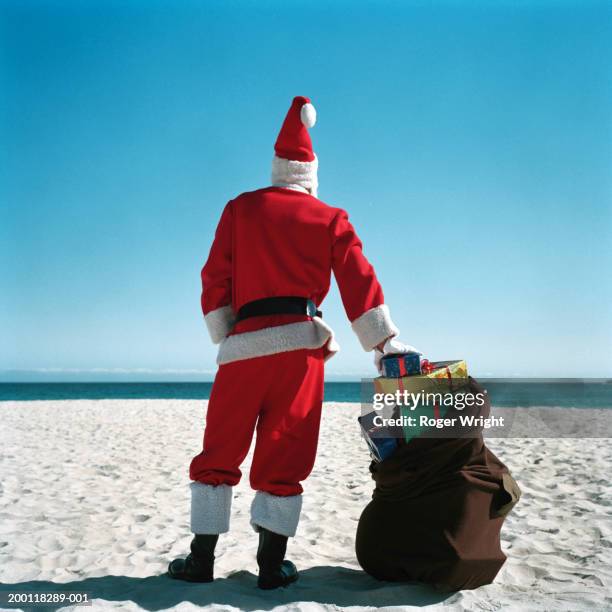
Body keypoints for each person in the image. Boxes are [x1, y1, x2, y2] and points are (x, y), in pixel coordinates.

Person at [168, 96, 415, 588]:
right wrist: (384, 343)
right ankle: (269, 566)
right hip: (300, 351)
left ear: (276, 170)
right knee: (286, 450)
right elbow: (357, 280)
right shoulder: (330, 218)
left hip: (244, 348)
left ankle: (201, 560)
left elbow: (214, 277)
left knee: (220, 448)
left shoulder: (239, 209)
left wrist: (225, 329)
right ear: (310, 176)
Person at [355, 377, 521, 591]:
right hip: (460, 566)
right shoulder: (484, 470)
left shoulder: (399, 459)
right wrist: (457, 382)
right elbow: (475, 403)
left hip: (377, 558)